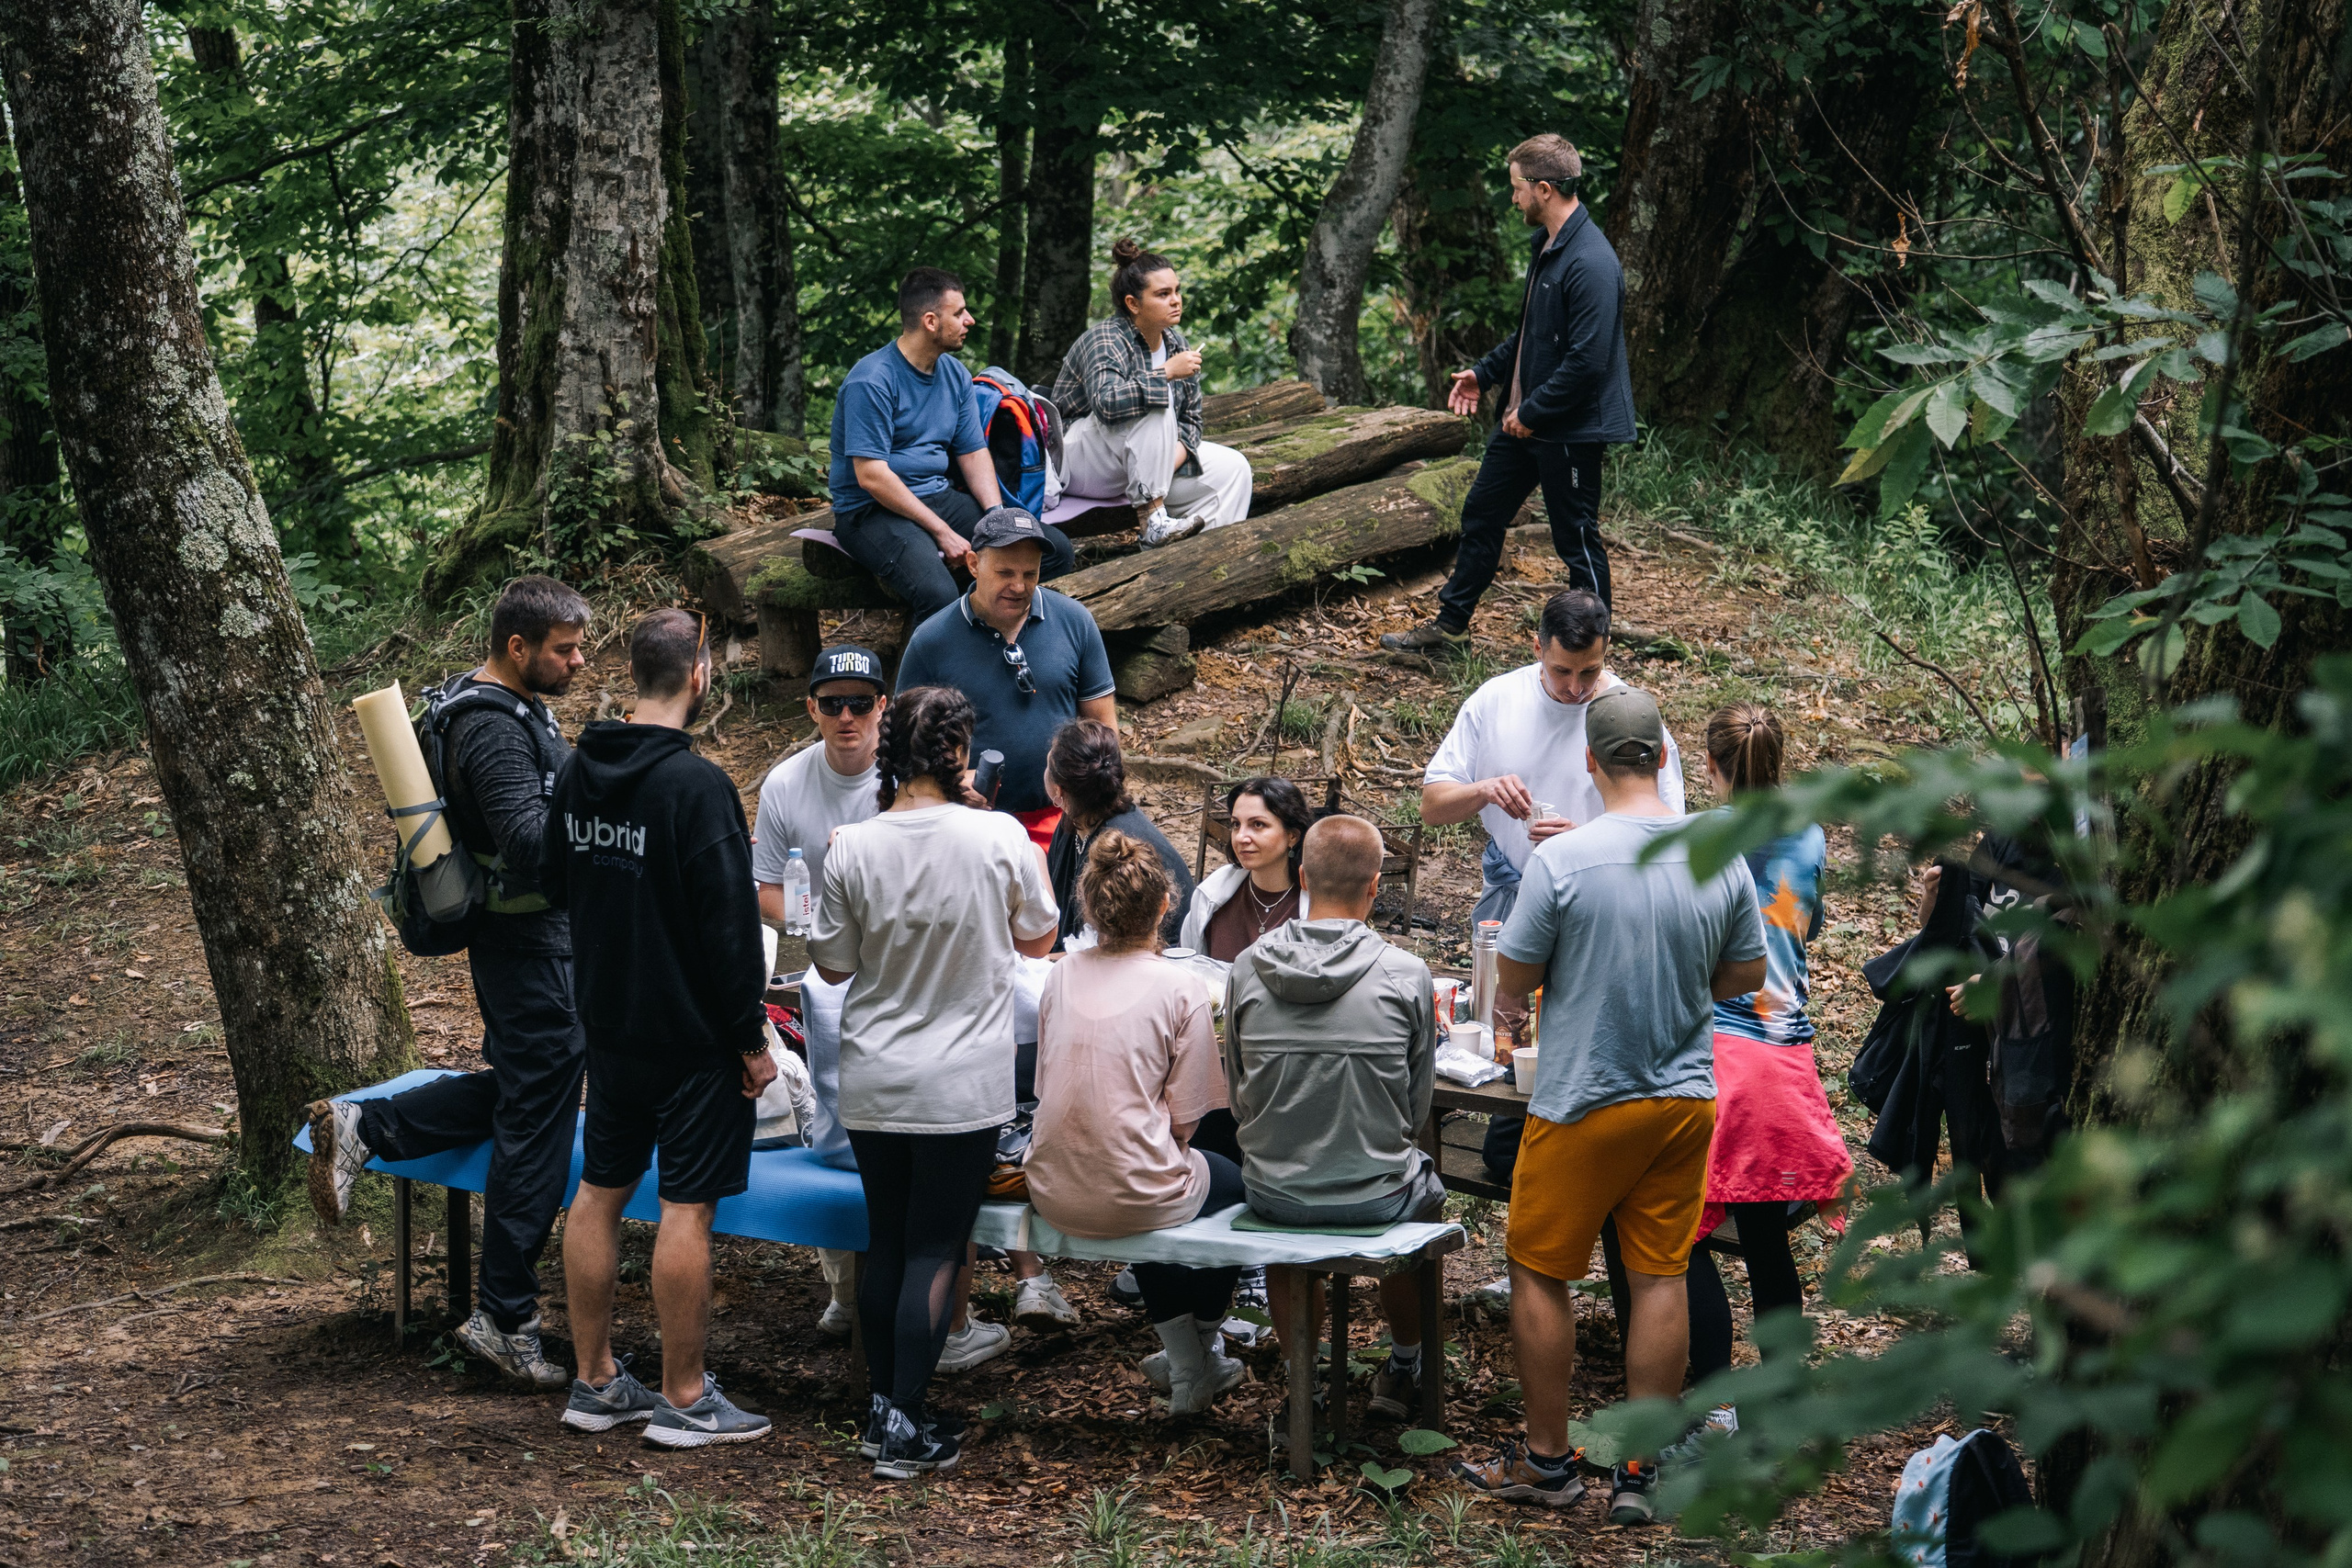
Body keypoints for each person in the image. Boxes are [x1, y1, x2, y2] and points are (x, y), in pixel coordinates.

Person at [1451, 687, 1764, 1520]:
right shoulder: (1718, 854)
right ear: (1662, 756)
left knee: (1539, 1267)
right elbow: (1747, 972)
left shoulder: (1564, 860)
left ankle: (1547, 1462)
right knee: (1659, 1273)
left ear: (1590, 761)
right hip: (1683, 1100)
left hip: (1585, 1096)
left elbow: (1516, 973)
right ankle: (1642, 1469)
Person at [304, 575, 591, 1389]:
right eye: (565, 649)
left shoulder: (497, 705)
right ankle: (505, 1315)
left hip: (531, 945)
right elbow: (529, 843)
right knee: (535, 1125)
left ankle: (366, 1124)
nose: (577, 661)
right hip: (532, 949)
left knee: (528, 1094)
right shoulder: (493, 729)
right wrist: (605, 809)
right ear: (517, 647)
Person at [808, 685, 1060, 1480]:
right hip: (961, 1080)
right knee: (936, 1245)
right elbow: (1040, 938)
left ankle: (886, 1411)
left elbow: (831, 965)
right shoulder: (998, 835)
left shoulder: (852, 844)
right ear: (958, 752)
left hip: (875, 1073)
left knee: (887, 1240)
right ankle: (903, 1422)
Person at [545, 609, 778, 1448]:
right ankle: (684, 1397)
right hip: (690, 1040)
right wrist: (751, 1042)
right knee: (687, 1207)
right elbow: (731, 933)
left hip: (609, 1028)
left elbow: (553, 878)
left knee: (600, 1191)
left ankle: (595, 1380)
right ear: (699, 675)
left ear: (636, 673)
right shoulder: (698, 786)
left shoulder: (579, 770)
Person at [1420, 587, 1686, 1214]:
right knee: (1508, 1024)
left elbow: (1669, 835)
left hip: (1600, 903)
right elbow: (1432, 804)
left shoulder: (1628, 717)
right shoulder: (1497, 701)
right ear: (1537, 646)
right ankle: (1519, 1144)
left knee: (1579, 1029)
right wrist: (1483, 789)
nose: (1574, 688)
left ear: (1607, 651)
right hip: (1512, 892)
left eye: (1589, 671)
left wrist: (1584, 841)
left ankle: (1571, 1152)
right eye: (1562, 671)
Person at [1657, 704, 1851, 1451]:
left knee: (1685, 1236)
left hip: (1719, 1057)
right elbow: (1810, 922)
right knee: (1767, 1236)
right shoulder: (1810, 833)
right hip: (1785, 1058)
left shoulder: (1698, 839)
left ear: (1710, 765)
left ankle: (1713, 1404)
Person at [1224, 816, 1441, 1427]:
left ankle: (1304, 1380)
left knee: (1282, 1216)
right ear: (1375, 886)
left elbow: (1239, 1094)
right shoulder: (1406, 974)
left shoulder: (1246, 968)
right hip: (1379, 1197)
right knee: (1422, 1191)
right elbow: (1416, 1107)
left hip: (1275, 1193)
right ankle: (1405, 1363)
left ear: (1301, 878)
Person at [1381, 135, 1636, 652]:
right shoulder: (1548, 245)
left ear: (1544, 189)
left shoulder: (1591, 261)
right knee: (1482, 513)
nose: (1513, 197)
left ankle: (1591, 653)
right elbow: (1532, 335)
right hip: (1524, 423)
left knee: (1576, 539)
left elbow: (1587, 362)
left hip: (1568, 428)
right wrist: (1485, 373)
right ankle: (1449, 630)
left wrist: (1533, 411)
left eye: (1517, 187)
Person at [1027, 833, 1249, 1414]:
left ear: (1089, 908)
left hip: (1050, 1182)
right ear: (1164, 907)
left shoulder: (1060, 975)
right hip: (1129, 1188)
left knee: (1146, 1170)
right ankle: (1196, 1358)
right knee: (1238, 1189)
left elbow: (1047, 1083)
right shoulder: (1180, 986)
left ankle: (1190, 1360)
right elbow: (1190, 1118)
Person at [749, 644, 888, 1342]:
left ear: (882, 707)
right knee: (831, 1121)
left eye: (860, 703)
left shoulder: (906, 776)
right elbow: (765, 886)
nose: (847, 717)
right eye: (832, 704)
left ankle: (932, 1291)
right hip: (820, 972)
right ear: (811, 708)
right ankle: (843, 1285)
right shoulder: (786, 784)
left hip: (898, 966)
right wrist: (820, 924)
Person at [829, 266, 1077, 622]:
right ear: (931, 322)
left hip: (937, 496)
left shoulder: (955, 374)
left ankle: (991, 637)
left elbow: (972, 453)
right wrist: (942, 533)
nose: (969, 320)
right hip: (870, 511)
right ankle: (937, 655)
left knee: (1053, 550)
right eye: (959, 313)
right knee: (938, 593)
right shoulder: (871, 380)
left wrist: (996, 515)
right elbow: (871, 476)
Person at [894, 505, 1116, 848]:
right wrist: (949, 783)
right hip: (969, 824)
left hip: (1064, 819)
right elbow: (904, 748)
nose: (1019, 586)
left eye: (1030, 574)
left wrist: (1098, 803)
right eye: (1005, 573)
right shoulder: (931, 640)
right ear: (973, 565)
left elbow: (1104, 728)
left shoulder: (1075, 621)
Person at [1053, 239, 1254, 547]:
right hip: (1078, 461)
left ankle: (1201, 558)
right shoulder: (1104, 339)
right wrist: (1166, 373)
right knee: (1155, 404)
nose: (1176, 301)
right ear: (1133, 304)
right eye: (1163, 294)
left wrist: (1159, 464)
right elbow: (1107, 404)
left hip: (1140, 469)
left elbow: (1191, 423)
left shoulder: (1177, 344)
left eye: (1177, 291)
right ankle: (1153, 521)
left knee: (1233, 467)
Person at [1043, 718, 1193, 951]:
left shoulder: (1119, 850)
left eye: (1047, 766)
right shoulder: (1074, 822)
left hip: (1151, 956)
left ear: (1058, 790)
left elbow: (1115, 948)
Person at [1178, 777, 1317, 961]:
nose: (1241, 837)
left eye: (1258, 824)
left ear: (1293, 836)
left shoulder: (1316, 904)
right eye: (1236, 824)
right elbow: (1187, 964)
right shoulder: (1212, 893)